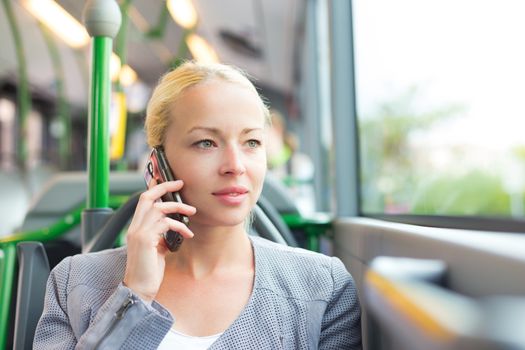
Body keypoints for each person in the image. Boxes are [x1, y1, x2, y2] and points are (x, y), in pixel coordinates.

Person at [33, 61, 361, 349]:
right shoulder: (75, 283)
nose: (235, 165)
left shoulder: (321, 286)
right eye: (206, 142)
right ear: (157, 166)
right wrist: (134, 296)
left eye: (251, 142)